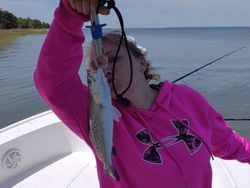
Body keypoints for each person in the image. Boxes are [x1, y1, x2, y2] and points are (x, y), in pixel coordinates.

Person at [34, 0, 250, 187]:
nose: (104, 67)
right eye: (95, 67)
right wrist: (70, 14)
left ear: (141, 62)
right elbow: (52, 81)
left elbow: (228, 141)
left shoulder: (187, 99)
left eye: (114, 57)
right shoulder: (93, 113)